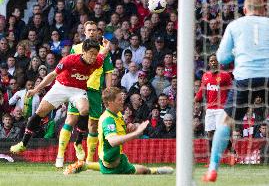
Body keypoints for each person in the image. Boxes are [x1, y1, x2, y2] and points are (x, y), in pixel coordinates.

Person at [202, 0, 269, 182]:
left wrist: (236, 51)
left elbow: (222, 59)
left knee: (225, 122)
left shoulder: (234, 26)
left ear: (244, 10)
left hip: (245, 78)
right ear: (263, 10)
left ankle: (213, 169)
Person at [10, 38, 110, 154]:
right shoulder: (69, 60)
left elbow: (103, 54)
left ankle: (78, 143)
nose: (93, 57)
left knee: (84, 110)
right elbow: (52, 75)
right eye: (91, 54)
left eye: (95, 54)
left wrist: (107, 46)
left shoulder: (97, 62)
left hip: (78, 90)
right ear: (83, 52)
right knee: (40, 112)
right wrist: (36, 89)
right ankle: (23, 144)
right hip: (61, 87)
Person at [63, 87, 173, 175]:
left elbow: (120, 132)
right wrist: (136, 133)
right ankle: (155, 171)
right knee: (143, 170)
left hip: (114, 155)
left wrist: (130, 129)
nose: (123, 102)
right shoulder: (108, 119)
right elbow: (113, 141)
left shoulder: (118, 114)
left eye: (123, 99)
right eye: (119, 100)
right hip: (111, 161)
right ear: (110, 103)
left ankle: (85, 165)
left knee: (134, 167)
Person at [55, 21, 114, 167]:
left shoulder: (103, 51)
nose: (92, 32)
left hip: (95, 92)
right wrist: (64, 92)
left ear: (98, 32)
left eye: (94, 30)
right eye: (89, 30)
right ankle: (60, 157)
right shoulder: (76, 48)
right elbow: (67, 69)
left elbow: (108, 73)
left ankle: (88, 160)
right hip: (77, 89)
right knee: (70, 120)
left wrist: (108, 92)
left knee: (93, 125)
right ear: (85, 32)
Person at [194, 54, 232, 166]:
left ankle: (231, 152)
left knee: (220, 133)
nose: (213, 62)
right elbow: (202, 90)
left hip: (221, 108)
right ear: (209, 63)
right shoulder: (205, 76)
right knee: (210, 133)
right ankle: (212, 160)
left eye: (215, 60)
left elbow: (231, 90)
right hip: (210, 109)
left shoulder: (225, 75)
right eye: (211, 61)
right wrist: (196, 99)